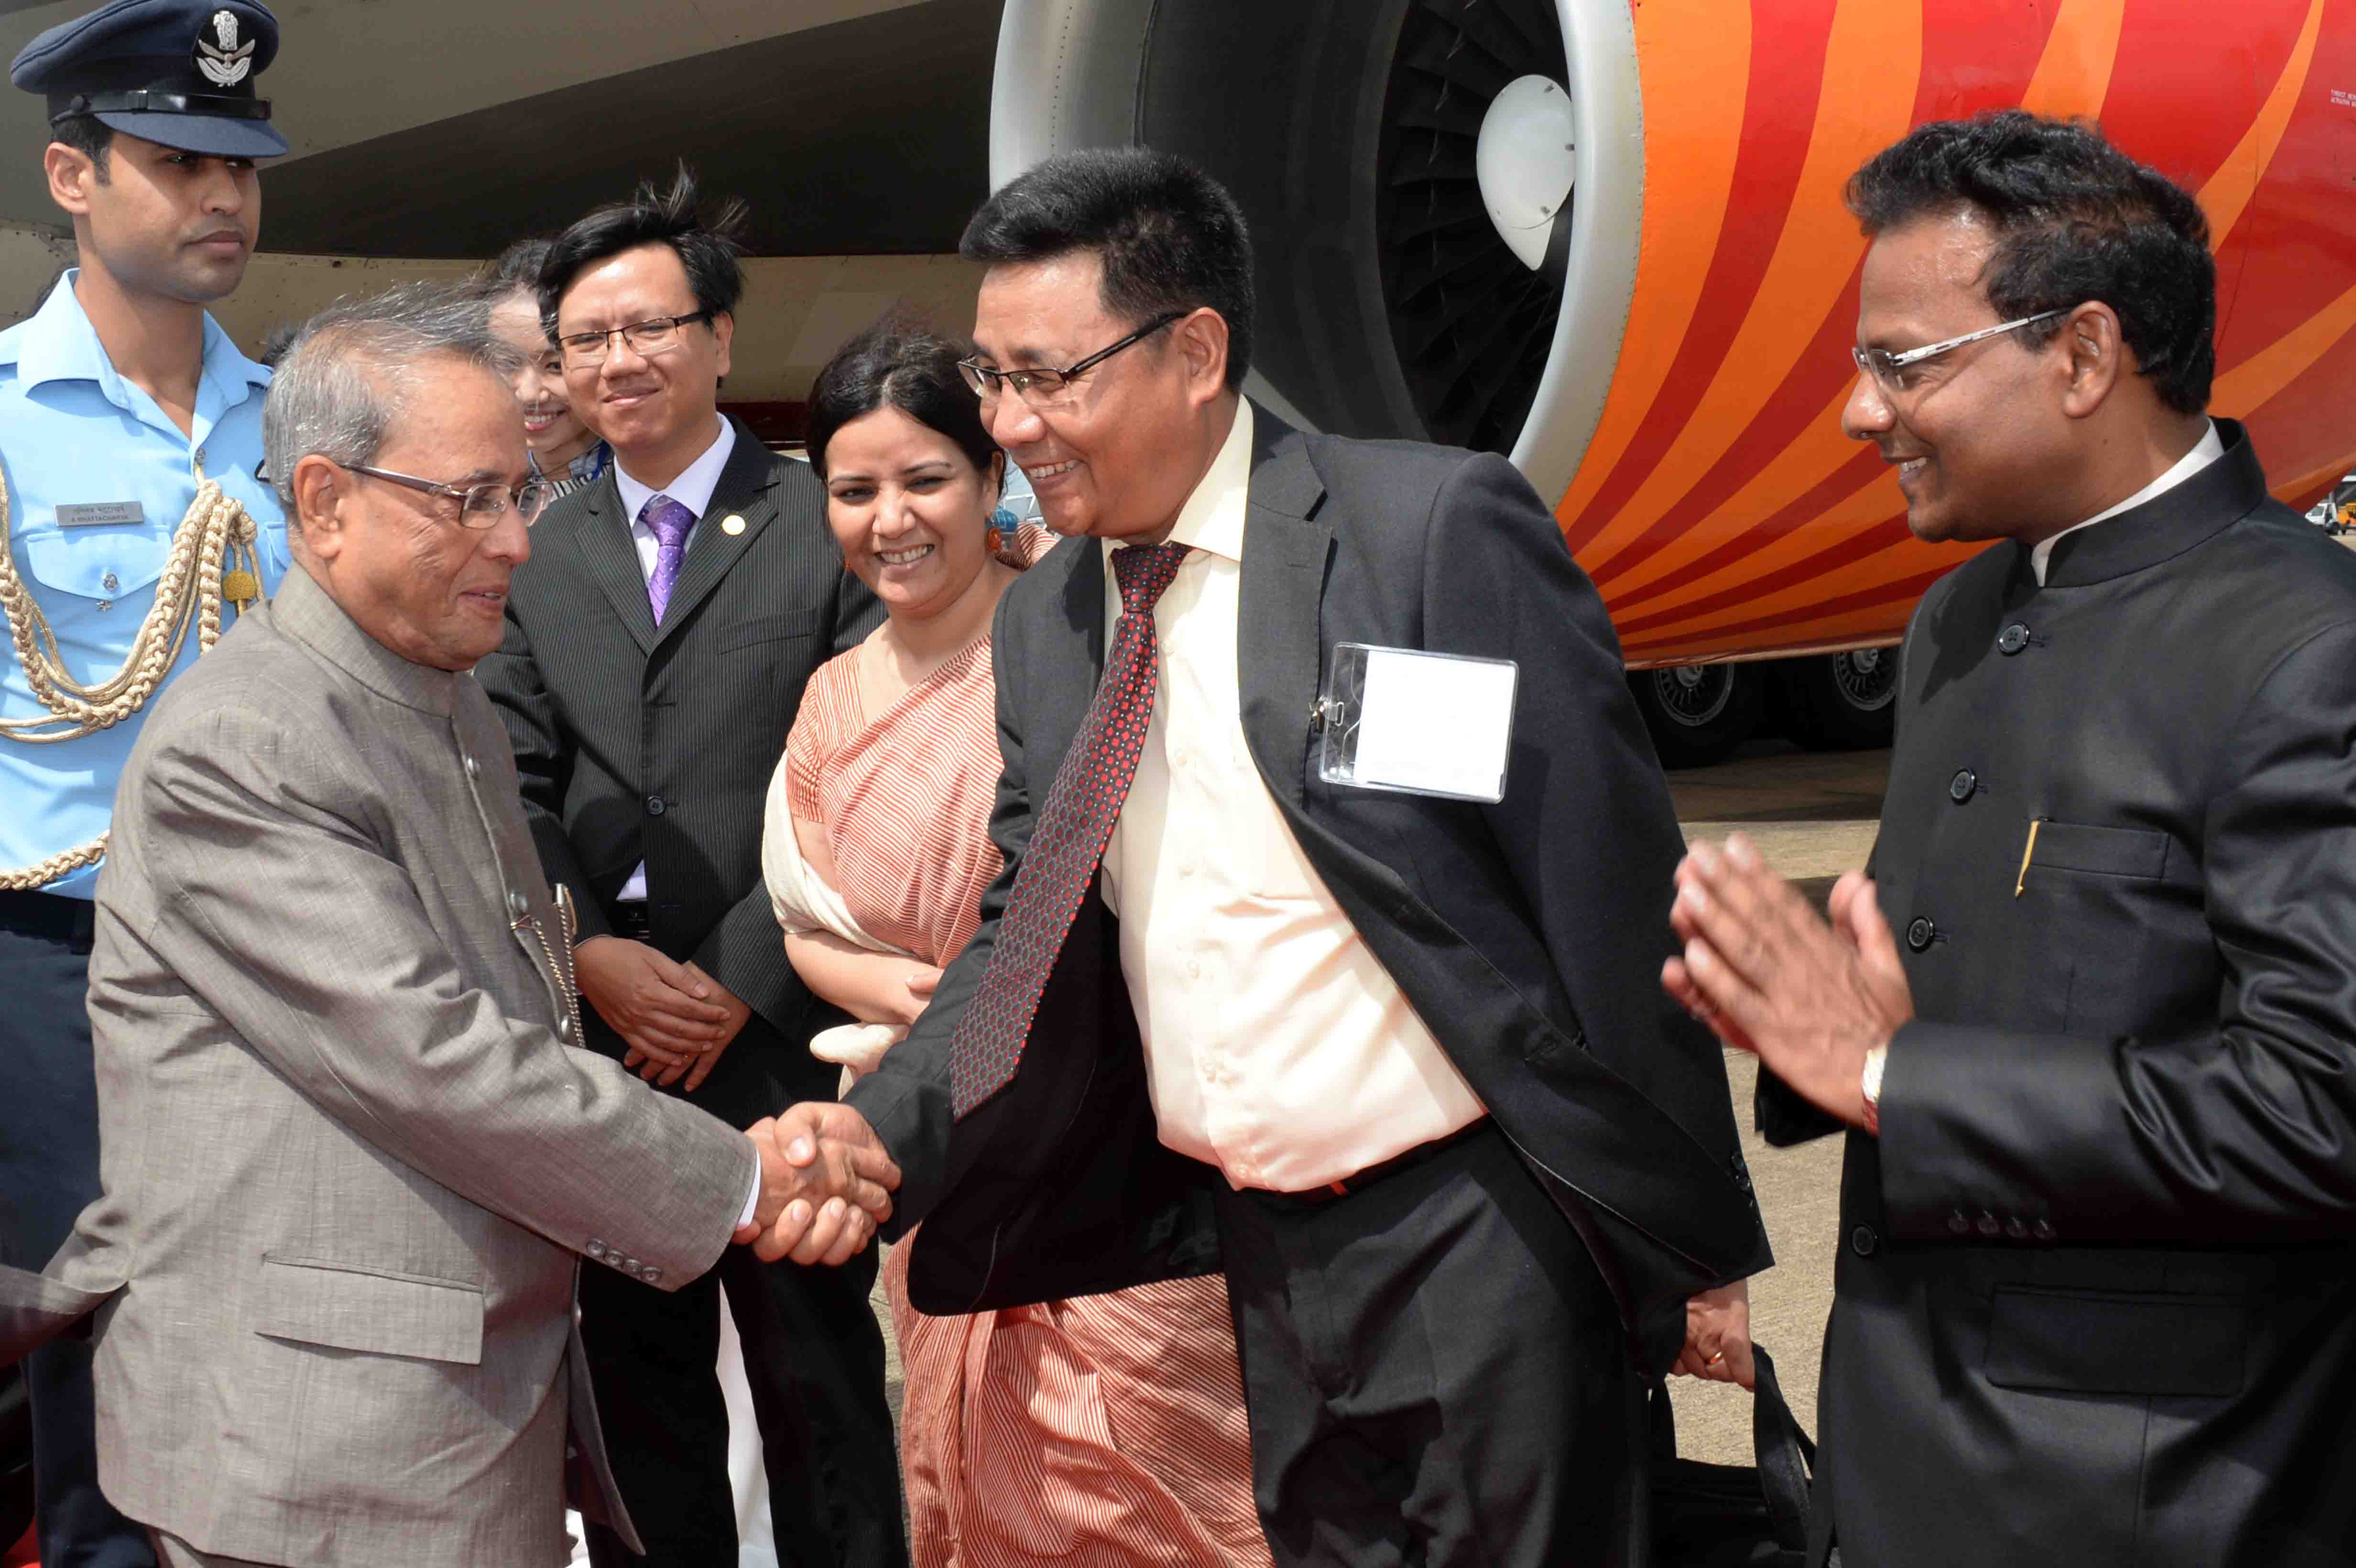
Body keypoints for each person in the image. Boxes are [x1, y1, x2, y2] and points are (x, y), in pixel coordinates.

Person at [782, 148, 1770, 1568]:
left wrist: (1682, 1242)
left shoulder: (1418, 537)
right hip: (1249, 1257)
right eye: (993, 380)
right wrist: (880, 1139)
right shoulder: (1052, 620)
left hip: (1474, 1229)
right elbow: (1019, 939)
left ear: (1193, 351)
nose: (1015, 424)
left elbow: (1597, 888)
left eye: (1049, 377)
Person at [0, 282, 897, 1568]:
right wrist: (751, 1179)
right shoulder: (250, 744)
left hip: (439, 1414)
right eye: (468, 499)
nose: (517, 539)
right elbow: (441, 1061)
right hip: (328, 1450)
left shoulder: (435, 693)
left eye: (520, 492)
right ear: (324, 501)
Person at [1662, 110, 2356, 1567]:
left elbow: (2317, 1114)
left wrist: (1888, 1069)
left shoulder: (2307, 648)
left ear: (2085, 354)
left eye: (1903, 364)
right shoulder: (1953, 623)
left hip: (2150, 1498)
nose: (1861, 413)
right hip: (1894, 1464)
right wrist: (1818, 1044)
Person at [765, 317, 1269, 1567]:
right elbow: (802, 912)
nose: (892, 517)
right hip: (931, 1152)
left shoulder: (1082, 643)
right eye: (855, 489)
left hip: (1110, 1160)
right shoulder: (832, 697)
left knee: (1152, 1500)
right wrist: (884, 990)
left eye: (926, 478)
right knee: (982, 1507)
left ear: (991, 478)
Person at [478, 172, 903, 1568]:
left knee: (820, 1389)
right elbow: (515, 782)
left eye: (649, 327)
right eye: (586, 340)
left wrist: (731, 981)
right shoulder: (532, 548)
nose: (618, 361)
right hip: (606, 1049)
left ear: (720, 335)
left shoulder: (818, 519)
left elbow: (861, 770)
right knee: (643, 1399)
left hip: (778, 1037)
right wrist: (586, 952)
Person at [0, 4, 291, 1562]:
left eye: (240, 164)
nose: (222, 198)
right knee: (111, 1346)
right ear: (72, 175)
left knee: (277, 1326)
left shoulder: (307, 424)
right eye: (176, 161)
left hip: (280, 954)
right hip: (63, 955)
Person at [480, 235, 611, 499]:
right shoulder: (470, 480)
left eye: (555, 366)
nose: (529, 394)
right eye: (508, 363)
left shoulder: (643, 482)